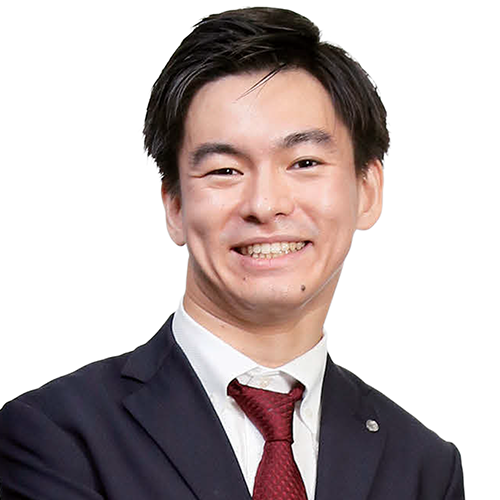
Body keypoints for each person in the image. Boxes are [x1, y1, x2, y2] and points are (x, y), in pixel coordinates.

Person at [0, 7, 464, 499]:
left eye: (304, 162)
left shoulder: (423, 468)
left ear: (367, 190)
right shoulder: (55, 438)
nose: (264, 205)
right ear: (175, 206)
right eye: (225, 170)